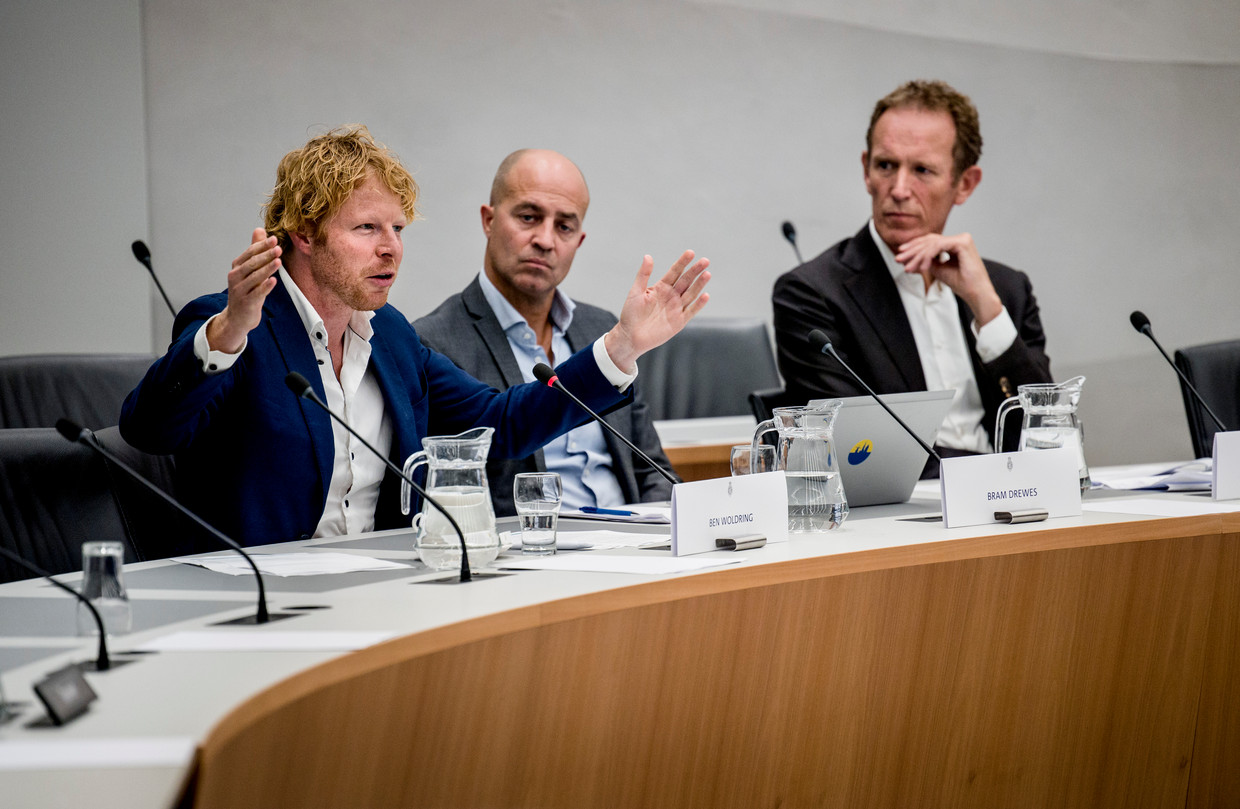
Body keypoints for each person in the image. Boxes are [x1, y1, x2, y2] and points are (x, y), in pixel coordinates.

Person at [120, 126, 709, 546]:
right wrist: (227, 333)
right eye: (366, 227)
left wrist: (622, 347)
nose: (390, 247)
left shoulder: (393, 339)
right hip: (264, 597)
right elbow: (149, 431)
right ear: (303, 233)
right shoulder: (231, 324)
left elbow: (501, 422)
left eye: (397, 228)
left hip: (385, 589)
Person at [772, 80, 1051, 469]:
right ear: (866, 171)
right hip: (906, 518)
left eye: (922, 170)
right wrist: (991, 474)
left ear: (964, 184)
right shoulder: (813, 294)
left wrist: (986, 308)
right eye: (886, 166)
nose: (899, 189)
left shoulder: (1006, 290)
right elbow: (858, 455)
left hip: (1015, 503)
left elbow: (1048, 433)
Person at [414, 149, 673, 515]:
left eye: (564, 226)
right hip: (532, 553)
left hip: (632, 544)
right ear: (488, 221)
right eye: (528, 217)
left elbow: (651, 470)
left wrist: (662, 535)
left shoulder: (603, 329)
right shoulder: (434, 342)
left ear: (578, 242)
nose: (545, 240)